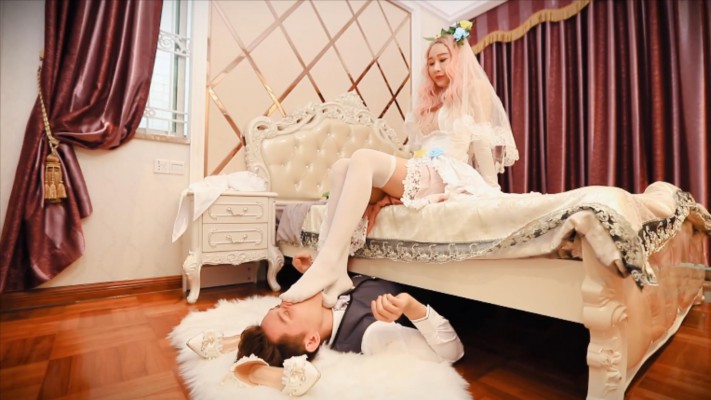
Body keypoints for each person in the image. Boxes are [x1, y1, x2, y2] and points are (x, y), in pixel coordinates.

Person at [279, 20, 519, 308]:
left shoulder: (474, 89)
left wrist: (491, 188)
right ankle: (338, 271)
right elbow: (416, 151)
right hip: (423, 170)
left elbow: (480, 141)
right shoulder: (429, 101)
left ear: (458, 60)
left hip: (447, 173)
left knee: (362, 157)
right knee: (342, 166)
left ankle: (326, 263)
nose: (436, 67)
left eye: (443, 60)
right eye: (431, 62)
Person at [187, 252, 464, 397]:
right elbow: (452, 352)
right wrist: (411, 306)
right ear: (311, 341)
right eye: (286, 314)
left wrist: (314, 270)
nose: (287, 299)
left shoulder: (325, 301)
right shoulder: (368, 333)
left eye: (279, 306)